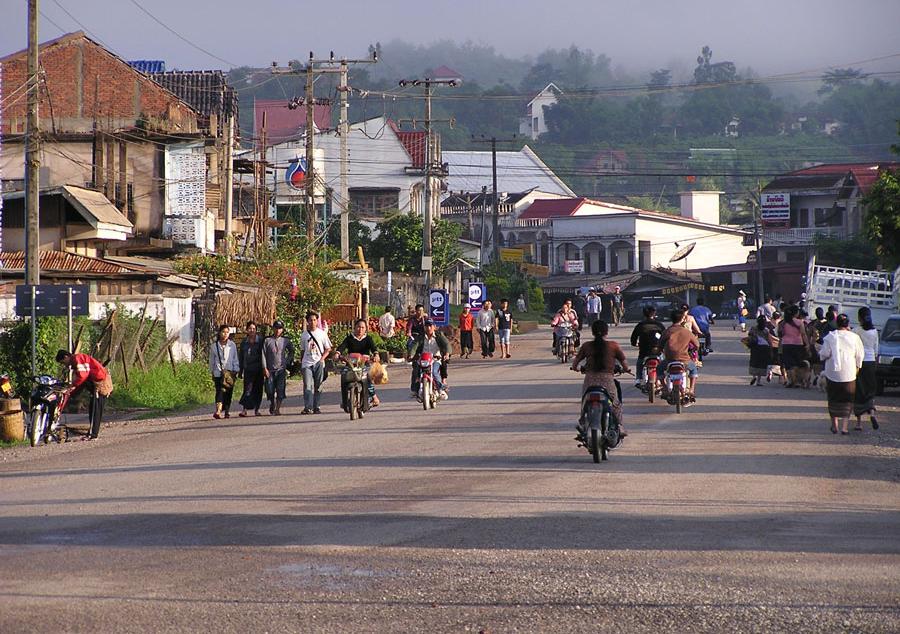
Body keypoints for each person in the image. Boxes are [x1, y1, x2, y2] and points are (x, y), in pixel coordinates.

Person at [571, 319, 630, 436]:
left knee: (585, 401)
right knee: (615, 403)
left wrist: (576, 368)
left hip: (590, 380)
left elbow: (575, 363)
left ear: (592, 332)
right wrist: (625, 369)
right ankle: (619, 426)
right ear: (606, 332)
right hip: (607, 381)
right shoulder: (613, 346)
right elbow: (624, 362)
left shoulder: (586, 346)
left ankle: (583, 422)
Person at [819, 313, 864, 435]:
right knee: (848, 399)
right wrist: (857, 367)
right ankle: (844, 427)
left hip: (832, 372)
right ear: (848, 324)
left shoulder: (830, 337)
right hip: (849, 372)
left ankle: (834, 425)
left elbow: (824, 354)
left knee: (833, 398)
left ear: (836, 324)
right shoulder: (855, 337)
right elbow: (860, 355)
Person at [56, 349, 113, 439]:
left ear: (66, 357)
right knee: (92, 409)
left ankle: (93, 435)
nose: (65, 365)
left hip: (101, 384)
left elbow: (83, 375)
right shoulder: (77, 361)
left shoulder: (77, 359)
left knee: (95, 410)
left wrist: (73, 386)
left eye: (63, 362)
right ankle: (91, 433)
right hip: (96, 383)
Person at [337, 318, 380, 411]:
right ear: (354, 327)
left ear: (365, 329)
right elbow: (342, 346)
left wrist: (376, 355)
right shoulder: (349, 338)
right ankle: (345, 400)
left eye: (362, 327)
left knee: (367, 377)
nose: (360, 329)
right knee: (344, 376)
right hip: (351, 364)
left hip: (364, 364)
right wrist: (337, 353)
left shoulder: (368, 339)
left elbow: (374, 348)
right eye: (358, 327)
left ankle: (373, 397)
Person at [660, 309, 701, 401]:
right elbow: (697, 345)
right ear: (683, 319)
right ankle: (691, 390)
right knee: (694, 369)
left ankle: (665, 388)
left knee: (659, 369)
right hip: (685, 360)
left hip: (669, 360)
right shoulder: (687, 332)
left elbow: (660, 345)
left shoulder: (667, 331)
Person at [300, 311, 332, 415]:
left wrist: (322, 359)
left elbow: (328, 349)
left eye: (314, 320)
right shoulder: (304, 335)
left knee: (318, 386)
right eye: (310, 320)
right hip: (307, 364)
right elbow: (302, 350)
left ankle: (316, 406)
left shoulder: (322, 334)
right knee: (307, 386)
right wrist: (302, 363)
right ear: (307, 321)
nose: (313, 322)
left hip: (318, 362)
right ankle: (307, 407)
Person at [853, 307, 880, 430]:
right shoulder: (874, 331)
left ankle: (859, 423)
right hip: (871, 362)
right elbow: (876, 349)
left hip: (859, 362)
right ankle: (872, 413)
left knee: (859, 390)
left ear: (859, 318)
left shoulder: (857, 330)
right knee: (869, 389)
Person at [262, 320, 294, 415]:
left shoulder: (285, 341)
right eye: (276, 328)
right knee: (270, 390)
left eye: (280, 328)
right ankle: (272, 402)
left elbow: (291, 351)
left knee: (280, 390)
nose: (278, 330)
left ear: (282, 330)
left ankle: (278, 408)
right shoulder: (267, 340)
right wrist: (264, 368)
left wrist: (287, 361)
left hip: (281, 369)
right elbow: (263, 354)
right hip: (270, 369)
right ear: (273, 328)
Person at [412, 319, 450, 400]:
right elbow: (414, 346)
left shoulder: (439, 336)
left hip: (435, 360)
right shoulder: (421, 337)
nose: (428, 328)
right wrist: (411, 355)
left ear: (434, 327)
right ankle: (415, 390)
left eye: (430, 326)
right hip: (423, 360)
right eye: (426, 326)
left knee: (434, 372)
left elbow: (447, 345)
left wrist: (447, 354)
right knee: (416, 372)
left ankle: (441, 389)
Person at [630, 305, 666, 388]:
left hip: (644, 350)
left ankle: (638, 379)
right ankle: (663, 381)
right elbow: (665, 337)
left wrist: (634, 343)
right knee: (662, 363)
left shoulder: (640, 325)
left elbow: (633, 338)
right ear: (654, 314)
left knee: (640, 362)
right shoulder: (659, 325)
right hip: (657, 350)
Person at [209, 324, 239, 420]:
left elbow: (235, 358)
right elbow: (211, 361)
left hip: (230, 372)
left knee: (228, 392)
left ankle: (226, 411)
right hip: (218, 372)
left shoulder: (232, 345)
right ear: (219, 333)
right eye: (223, 332)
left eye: (227, 332)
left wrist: (235, 370)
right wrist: (212, 372)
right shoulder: (214, 346)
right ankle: (218, 410)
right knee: (219, 392)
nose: (225, 334)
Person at [777, 305, 811, 387]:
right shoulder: (799, 322)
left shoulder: (783, 323)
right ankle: (797, 381)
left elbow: (780, 334)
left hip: (786, 344)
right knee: (797, 363)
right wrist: (807, 344)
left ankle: (790, 381)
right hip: (798, 344)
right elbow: (803, 334)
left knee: (789, 364)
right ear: (795, 313)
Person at [238, 320, 264, 417]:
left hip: (259, 369)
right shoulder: (244, 342)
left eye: (254, 329)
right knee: (247, 389)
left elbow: (264, 355)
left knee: (258, 389)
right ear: (247, 330)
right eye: (250, 329)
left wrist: (265, 368)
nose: (252, 330)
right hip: (248, 369)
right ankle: (244, 409)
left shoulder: (261, 341)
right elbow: (241, 356)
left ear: (256, 330)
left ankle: (257, 409)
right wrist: (240, 370)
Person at [747, 315, 777, 385]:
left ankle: (754, 376)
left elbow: (749, 337)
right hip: (764, 348)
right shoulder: (766, 330)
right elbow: (769, 341)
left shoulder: (753, 328)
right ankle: (758, 381)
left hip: (755, 347)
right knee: (761, 364)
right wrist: (771, 349)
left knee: (754, 362)